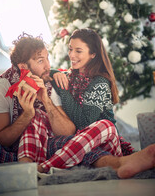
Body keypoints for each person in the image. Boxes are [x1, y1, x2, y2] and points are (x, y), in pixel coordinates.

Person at [17, 29, 155, 179]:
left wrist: (63, 89)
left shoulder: (99, 82)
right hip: (79, 142)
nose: (72, 55)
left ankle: (44, 167)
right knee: (39, 115)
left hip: (105, 141)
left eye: (78, 51)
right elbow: (46, 72)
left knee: (105, 124)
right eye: (70, 49)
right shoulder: (68, 76)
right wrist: (54, 73)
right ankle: (26, 166)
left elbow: (85, 123)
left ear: (93, 54)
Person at [0, 33, 76, 164]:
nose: (48, 66)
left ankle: (34, 166)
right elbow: (0, 140)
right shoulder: (3, 86)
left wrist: (46, 100)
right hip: (11, 152)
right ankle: (34, 165)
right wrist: (27, 115)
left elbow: (68, 132)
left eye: (47, 58)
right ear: (23, 67)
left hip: (44, 145)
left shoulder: (47, 84)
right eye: (40, 61)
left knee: (74, 141)